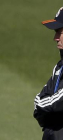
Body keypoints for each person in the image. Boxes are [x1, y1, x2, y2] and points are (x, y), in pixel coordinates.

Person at [34, 7, 63, 140]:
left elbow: (57, 101)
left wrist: (41, 104)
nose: (55, 38)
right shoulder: (60, 66)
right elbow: (43, 95)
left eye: (59, 32)